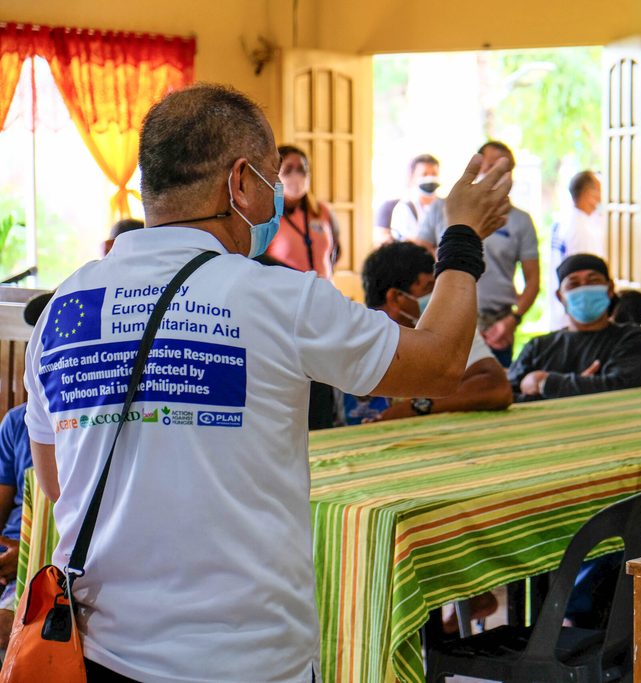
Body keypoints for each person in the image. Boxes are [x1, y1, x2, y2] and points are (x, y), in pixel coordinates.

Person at [22, 83, 511, 682]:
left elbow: (56, 482)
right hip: (245, 661)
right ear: (241, 183)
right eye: (273, 177)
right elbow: (438, 363)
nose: (276, 195)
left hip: (96, 655)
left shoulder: (61, 310)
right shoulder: (277, 298)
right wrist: (461, 237)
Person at [343, 241, 513, 423]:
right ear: (395, 298)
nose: (437, 297)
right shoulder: (349, 337)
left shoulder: (449, 327)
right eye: (428, 289)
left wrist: (414, 408)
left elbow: (496, 387)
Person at [416, 141, 540, 366]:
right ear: (478, 167)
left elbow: (532, 280)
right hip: (444, 314)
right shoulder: (444, 208)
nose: (499, 174)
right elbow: (419, 252)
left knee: (490, 388)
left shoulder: (520, 221)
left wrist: (512, 320)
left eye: (506, 169)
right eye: (492, 166)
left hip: (496, 324)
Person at [507, 254, 641, 402]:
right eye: (574, 284)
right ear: (560, 296)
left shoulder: (632, 338)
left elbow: (625, 389)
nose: (584, 289)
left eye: (593, 281)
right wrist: (581, 388)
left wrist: (544, 383)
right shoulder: (538, 346)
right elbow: (506, 395)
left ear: (610, 289)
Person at [0, 292, 53, 654]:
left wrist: (25, 552)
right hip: (12, 551)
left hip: (46, 556)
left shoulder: (93, 423)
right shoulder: (17, 422)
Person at [265, 144, 340, 279]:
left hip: (323, 292)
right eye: (288, 170)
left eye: (301, 169)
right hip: (286, 296)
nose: (296, 175)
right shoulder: (267, 215)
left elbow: (336, 252)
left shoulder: (322, 211)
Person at [548, 171, 606, 330]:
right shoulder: (580, 229)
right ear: (589, 193)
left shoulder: (565, 220)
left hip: (562, 307)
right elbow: (582, 273)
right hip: (575, 312)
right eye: (599, 190)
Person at [374, 154, 442, 247]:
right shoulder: (391, 206)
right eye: (424, 174)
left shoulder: (447, 208)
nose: (429, 179)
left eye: (434, 174)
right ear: (412, 177)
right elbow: (382, 240)